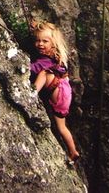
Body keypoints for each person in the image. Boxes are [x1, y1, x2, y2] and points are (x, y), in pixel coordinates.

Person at [30, 20, 80, 164]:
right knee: (62, 127)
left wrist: (20, 63)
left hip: (59, 92)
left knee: (44, 73)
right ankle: (73, 151)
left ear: (53, 43)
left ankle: (32, 92)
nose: (40, 44)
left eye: (45, 41)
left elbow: (34, 68)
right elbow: (44, 35)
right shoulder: (57, 54)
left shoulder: (48, 59)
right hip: (63, 92)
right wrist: (36, 28)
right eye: (37, 40)